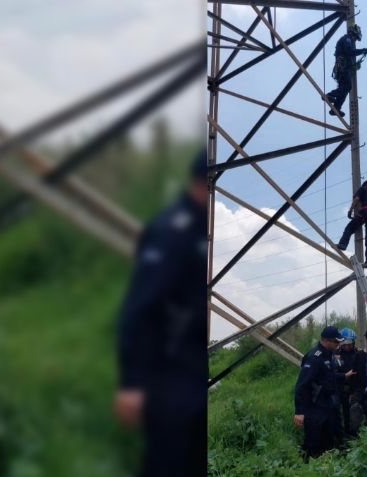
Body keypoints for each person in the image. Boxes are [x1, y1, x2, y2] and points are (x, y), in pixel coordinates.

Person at [115, 151, 208, 477]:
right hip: (170, 377)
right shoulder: (171, 230)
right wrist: (132, 382)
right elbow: (139, 309)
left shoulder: (200, 229)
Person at [293, 325, 355, 459]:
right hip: (315, 407)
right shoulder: (314, 357)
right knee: (313, 442)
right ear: (326, 341)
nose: (339, 344)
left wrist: (344, 376)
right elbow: (302, 385)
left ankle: (328, 465)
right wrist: (299, 411)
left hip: (328, 405)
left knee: (330, 438)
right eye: (336, 342)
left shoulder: (329, 355)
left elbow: (328, 376)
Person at [336, 179, 367, 268]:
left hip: (365, 211)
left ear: (365, 184)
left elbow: (357, 199)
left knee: (349, 228)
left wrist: (350, 210)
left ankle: (342, 245)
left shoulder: (363, 189)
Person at [325, 23, 367, 117]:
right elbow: (349, 52)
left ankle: (336, 107)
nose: (355, 40)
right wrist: (362, 50)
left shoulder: (348, 40)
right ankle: (330, 95)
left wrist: (356, 65)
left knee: (344, 88)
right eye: (356, 37)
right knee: (347, 86)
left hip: (343, 68)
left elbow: (350, 56)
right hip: (342, 67)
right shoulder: (347, 39)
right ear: (353, 34)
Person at [336, 327, 360, 438]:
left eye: (349, 343)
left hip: (354, 390)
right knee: (340, 416)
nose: (347, 346)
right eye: (344, 343)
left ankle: (353, 436)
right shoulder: (334, 355)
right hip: (339, 390)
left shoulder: (359, 354)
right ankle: (341, 439)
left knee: (354, 416)